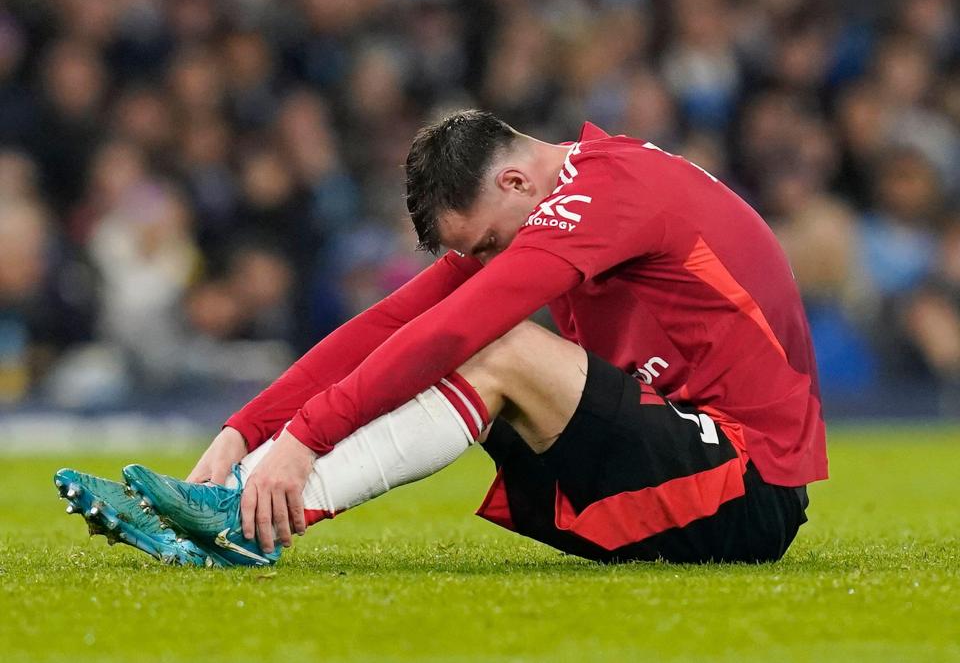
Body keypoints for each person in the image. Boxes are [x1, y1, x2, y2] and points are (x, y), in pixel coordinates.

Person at [58, 110, 826, 566]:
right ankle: (219, 507)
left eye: (488, 243)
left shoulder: (609, 194)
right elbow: (390, 321)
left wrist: (304, 437)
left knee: (495, 346)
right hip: (678, 457)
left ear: (517, 182)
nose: (487, 260)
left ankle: (243, 517)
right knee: (467, 342)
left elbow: (456, 328)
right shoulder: (568, 195)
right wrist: (247, 427)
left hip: (745, 485)